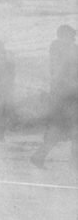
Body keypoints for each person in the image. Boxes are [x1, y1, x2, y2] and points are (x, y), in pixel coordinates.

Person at [31, 24, 78, 168]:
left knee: (64, 127)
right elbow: (59, 74)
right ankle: (73, 162)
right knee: (62, 127)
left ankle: (41, 156)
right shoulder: (60, 48)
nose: (74, 37)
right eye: (72, 34)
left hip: (68, 94)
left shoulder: (67, 49)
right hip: (65, 95)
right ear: (63, 35)